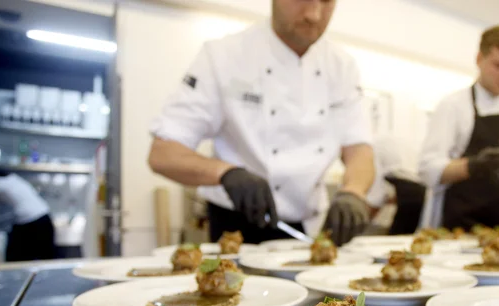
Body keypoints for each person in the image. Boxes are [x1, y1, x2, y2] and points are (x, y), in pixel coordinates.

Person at [148, 0, 375, 245]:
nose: (313, 14)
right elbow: (163, 154)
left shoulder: (341, 67)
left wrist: (354, 191)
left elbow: (359, 149)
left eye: (326, 1)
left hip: (309, 228)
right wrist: (225, 173)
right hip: (236, 229)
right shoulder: (223, 56)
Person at [417, 25, 499, 230]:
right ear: (479, 59)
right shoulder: (454, 106)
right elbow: (427, 170)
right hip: (459, 228)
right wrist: (474, 165)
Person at [0, 172, 56, 262]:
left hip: (30, 220)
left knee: (16, 256)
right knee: (45, 255)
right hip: (44, 216)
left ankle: (14, 274)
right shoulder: (14, 179)